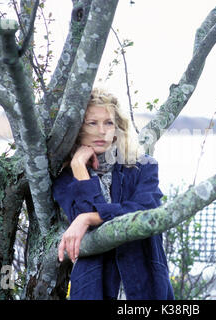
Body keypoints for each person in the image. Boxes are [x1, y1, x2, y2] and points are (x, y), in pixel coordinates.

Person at [52, 88, 174, 300]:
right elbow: (86, 225)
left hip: (144, 285)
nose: (102, 131)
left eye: (108, 122)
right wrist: (79, 166)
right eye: (92, 123)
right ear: (78, 129)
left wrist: (89, 217)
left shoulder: (143, 167)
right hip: (93, 287)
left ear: (117, 128)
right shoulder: (65, 179)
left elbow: (146, 212)